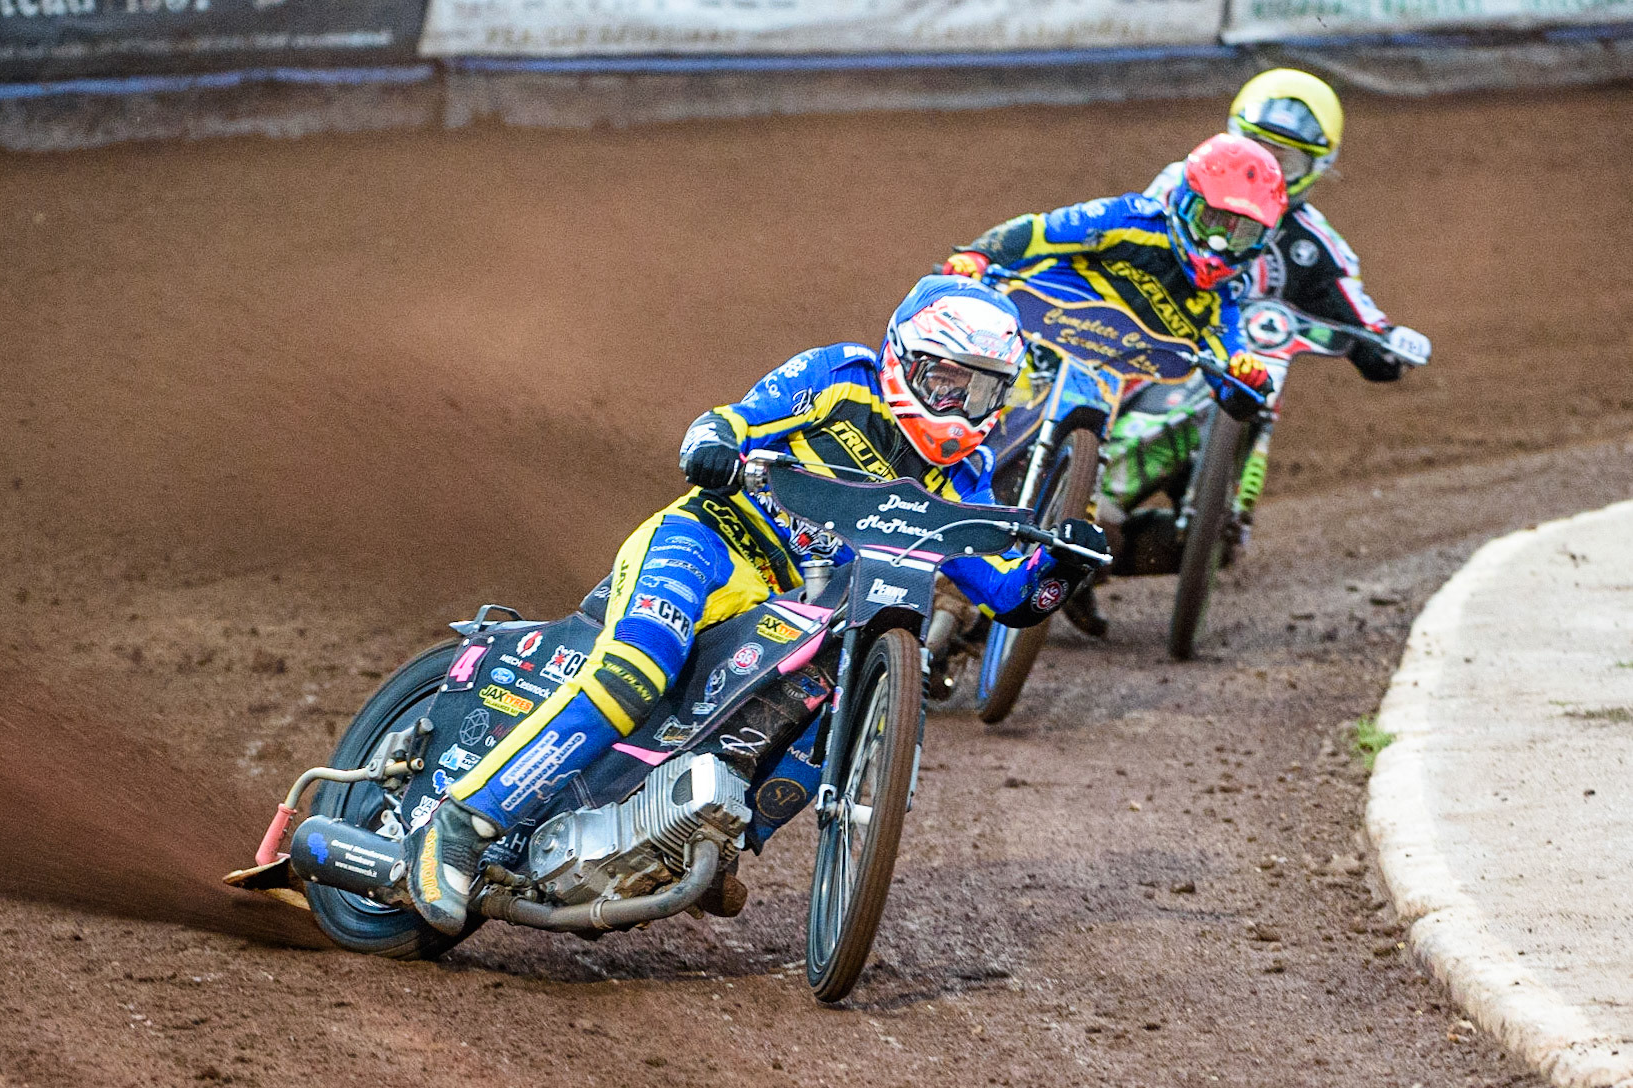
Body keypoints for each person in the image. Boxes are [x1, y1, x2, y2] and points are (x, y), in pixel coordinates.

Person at [403, 275, 1106, 935]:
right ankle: (461, 823)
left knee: (829, 700)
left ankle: (714, 832)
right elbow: (729, 422)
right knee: (638, 669)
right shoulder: (840, 377)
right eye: (945, 381)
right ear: (903, 359)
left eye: (980, 392)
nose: (957, 406)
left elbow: (1013, 593)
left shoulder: (963, 477)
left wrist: (1062, 564)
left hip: (783, 604)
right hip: (707, 540)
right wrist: (713, 446)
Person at [938, 132, 1289, 635]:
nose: (1218, 243)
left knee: (1102, 502)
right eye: (1213, 221)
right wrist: (980, 255)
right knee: (968, 416)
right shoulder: (1130, 220)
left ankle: (1066, 573)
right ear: (1184, 201)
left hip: (1105, 380)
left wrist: (1244, 374)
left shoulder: (1221, 296)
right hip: (1038, 339)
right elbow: (1040, 232)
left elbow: (1231, 357)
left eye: (1239, 233)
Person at [1144, 68, 1432, 381]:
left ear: (1317, 165)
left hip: (1233, 366)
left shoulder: (1310, 244)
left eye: (1284, 163)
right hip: (1143, 331)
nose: (1264, 172)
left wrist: (1386, 342)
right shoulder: (1182, 183)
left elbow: (1356, 318)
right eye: (1256, 150)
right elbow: (1129, 223)